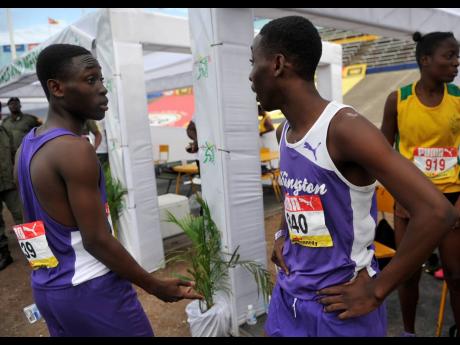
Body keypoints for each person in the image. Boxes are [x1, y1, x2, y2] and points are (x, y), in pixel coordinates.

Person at [249, 16, 458, 337]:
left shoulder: (345, 129)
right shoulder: (283, 131)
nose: (250, 76)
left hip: (339, 306)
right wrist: (282, 234)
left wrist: (377, 290)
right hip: (289, 298)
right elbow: (299, 195)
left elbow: (436, 212)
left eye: (254, 62)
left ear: (277, 64)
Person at [12, 43, 202, 337]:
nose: (103, 89)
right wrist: (155, 285)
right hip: (90, 289)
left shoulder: (27, 145)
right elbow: (96, 240)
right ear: (57, 88)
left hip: (49, 288)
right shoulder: (73, 149)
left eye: (101, 79)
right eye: (91, 80)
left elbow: (32, 226)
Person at [381, 31, 460, 337]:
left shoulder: (457, 100)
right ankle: (409, 333)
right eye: (449, 55)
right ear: (425, 60)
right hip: (411, 201)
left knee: (455, 275)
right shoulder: (398, 101)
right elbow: (382, 154)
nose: (456, 62)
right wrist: (399, 196)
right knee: (408, 275)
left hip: (451, 197)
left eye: (457, 56)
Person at [0, 113, 22, 271]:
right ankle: (4, 254)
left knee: (21, 215)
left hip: (9, 182)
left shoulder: (5, 131)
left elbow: (15, 153)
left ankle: (35, 251)